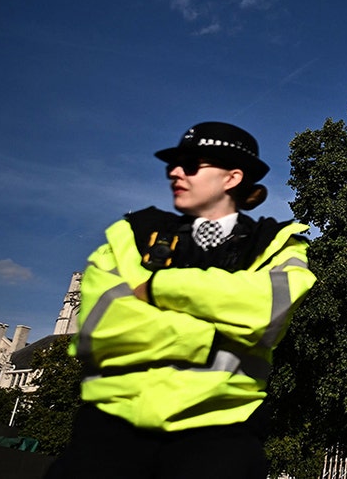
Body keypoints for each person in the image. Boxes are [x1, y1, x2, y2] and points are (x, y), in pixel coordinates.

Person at [46, 122, 317, 479]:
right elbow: (99, 328)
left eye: (191, 165)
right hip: (110, 431)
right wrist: (217, 331)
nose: (175, 172)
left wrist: (157, 290)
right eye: (172, 165)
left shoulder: (278, 243)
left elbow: (266, 313)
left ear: (232, 178)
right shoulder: (130, 234)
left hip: (218, 438)